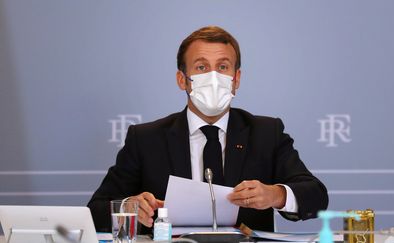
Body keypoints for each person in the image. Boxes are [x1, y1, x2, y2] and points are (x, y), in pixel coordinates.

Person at [88, 26, 328, 234]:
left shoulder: (266, 132)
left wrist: (276, 195)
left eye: (223, 67)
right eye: (202, 67)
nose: (214, 77)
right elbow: (96, 208)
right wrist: (129, 207)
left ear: (236, 79)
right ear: (182, 80)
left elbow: (316, 196)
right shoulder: (146, 138)